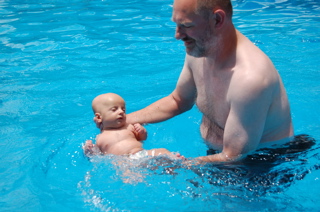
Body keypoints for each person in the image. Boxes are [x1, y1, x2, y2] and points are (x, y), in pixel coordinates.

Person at [127, 0, 294, 163]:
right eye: (176, 25)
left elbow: (233, 156)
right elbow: (178, 101)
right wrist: (121, 121)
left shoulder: (250, 79)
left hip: (262, 164)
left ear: (217, 20)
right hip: (217, 157)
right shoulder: (199, 49)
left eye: (187, 26)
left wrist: (172, 164)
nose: (177, 35)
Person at [83, 93, 181, 160]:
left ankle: (175, 160)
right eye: (114, 110)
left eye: (123, 109)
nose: (121, 112)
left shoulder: (129, 127)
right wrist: (89, 150)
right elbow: (98, 156)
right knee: (124, 171)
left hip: (142, 153)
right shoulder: (100, 138)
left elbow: (142, 139)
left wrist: (142, 132)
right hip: (125, 161)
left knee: (162, 151)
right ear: (99, 117)